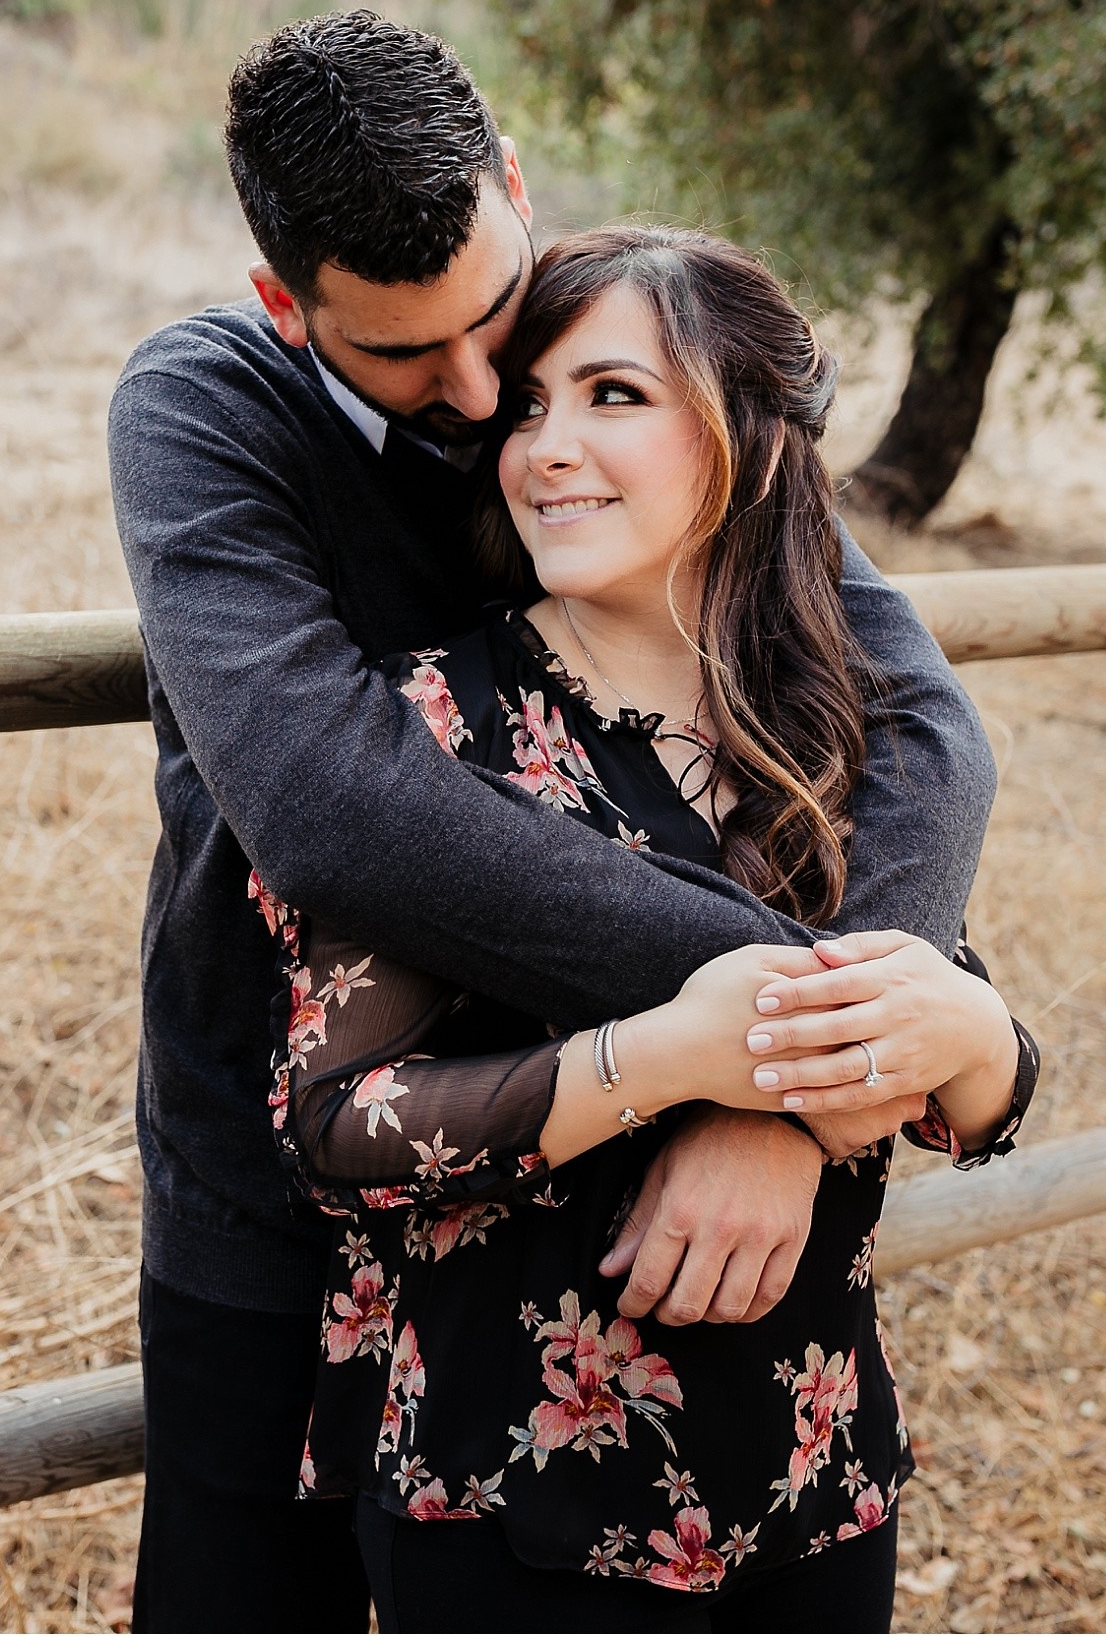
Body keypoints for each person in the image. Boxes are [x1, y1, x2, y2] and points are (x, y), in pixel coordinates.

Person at [108, 11, 1000, 1632]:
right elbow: (333, 810)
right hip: (280, 1165)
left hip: (620, 1223)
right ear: (283, 303)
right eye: (400, 357)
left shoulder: (610, 364)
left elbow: (922, 715)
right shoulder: (205, 409)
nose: (474, 400)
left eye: (494, 334)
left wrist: (784, 1089)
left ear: (515, 187)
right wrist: (805, 1025)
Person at [268, 224, 1039, 1630]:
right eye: (530, 406)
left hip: (810, 1480)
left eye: (614, 395)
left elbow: (957, 1079)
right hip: (506, 1497)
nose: (549, 445)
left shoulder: (844, 735)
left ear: (749, 433)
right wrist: (671, 1058)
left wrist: (977, 1034)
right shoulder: (431, 726)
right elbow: (336, 1121)